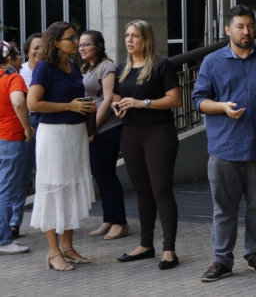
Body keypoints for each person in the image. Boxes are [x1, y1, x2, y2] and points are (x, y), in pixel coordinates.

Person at [192, 5, 256, 283]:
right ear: (228, 30)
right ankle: (222, 260)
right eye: (239, 26)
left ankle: (255, 255)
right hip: (224, 148)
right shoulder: (212, 62)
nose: (246, 31)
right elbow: (199, 100)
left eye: (250, 26)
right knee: (223, 210)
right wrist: (222, 107)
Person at [112, 20, 182, 270]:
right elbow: (118, 98)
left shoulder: (161, 65)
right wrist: (116, 106)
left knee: (161, 191)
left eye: (135, 36)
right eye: (127, 35)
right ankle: (145, 245)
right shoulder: (123, 68)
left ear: (146, 40)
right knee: (142, 192)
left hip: (158, 133)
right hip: (130, 134)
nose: (129, 40)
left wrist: (144, 103)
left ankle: (169, 249)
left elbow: (176, 100)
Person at [27, 22, 96, 271]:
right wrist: (70, 106)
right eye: (70, 38)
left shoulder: (74, 66)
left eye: (75, 36)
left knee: (70, 189)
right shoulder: (44, 68)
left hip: (76, 134)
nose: (76, 41)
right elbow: (32, 102)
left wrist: (86, 107)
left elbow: (73, 99)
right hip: (54, 135)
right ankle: (53, 251)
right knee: (53, 189)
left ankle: (67, 246)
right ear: (56, 42)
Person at [79, 30, 128, 240]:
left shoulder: (106, 66)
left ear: (98, 46)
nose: (81, 48)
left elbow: (108, 100)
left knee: (106, 174)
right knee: (99, 174)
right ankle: (108, 219)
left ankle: (120, 222)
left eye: (86, 44)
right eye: (80, 44)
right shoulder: (84, 67)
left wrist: (93, 129)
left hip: (107, 128)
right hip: (92, 128)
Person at [0, 41, 34, 255]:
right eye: (18, 55)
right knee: (6, 190)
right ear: (10, 59)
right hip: (11, 138)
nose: (22, 59)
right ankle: (4, 240)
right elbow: (18, 103)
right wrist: (27, 128)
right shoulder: (13, 78)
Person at [11, 33, 41, 240]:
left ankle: (49, 220)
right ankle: (14, 222)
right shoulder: (18, 73)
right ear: (27, 50)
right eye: (35, 47)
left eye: (43, 47)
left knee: (47, 174)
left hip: (49, 123)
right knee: (22, 175)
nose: (39, 52)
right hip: (25, 125)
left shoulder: (51, 71)